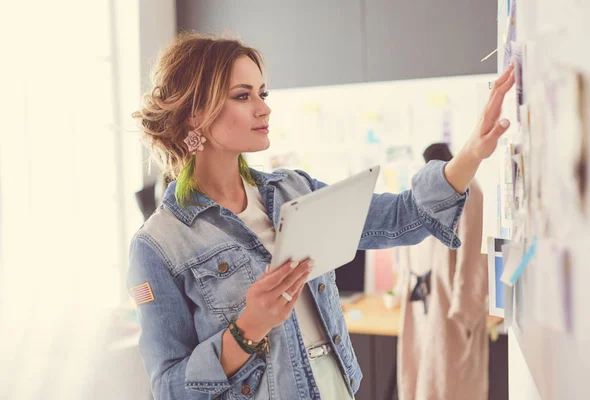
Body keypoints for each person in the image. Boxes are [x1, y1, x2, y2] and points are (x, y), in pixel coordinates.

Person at [128, 32, 514, 400]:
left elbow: (402, 217)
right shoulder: (158, 244)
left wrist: (472, 152)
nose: (264, 107)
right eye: (243, 96)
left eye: (262, 93)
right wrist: (249, 329)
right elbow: (170, 388)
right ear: (195, 114)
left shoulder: (292, 189)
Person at [395, 143, 489, 400]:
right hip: (423, 303)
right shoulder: (418, 190)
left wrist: (465, 312)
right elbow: (405, 244)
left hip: (450, 309)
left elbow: (473, 255)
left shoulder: (469, 190)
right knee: (423, 378)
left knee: (447, 383)